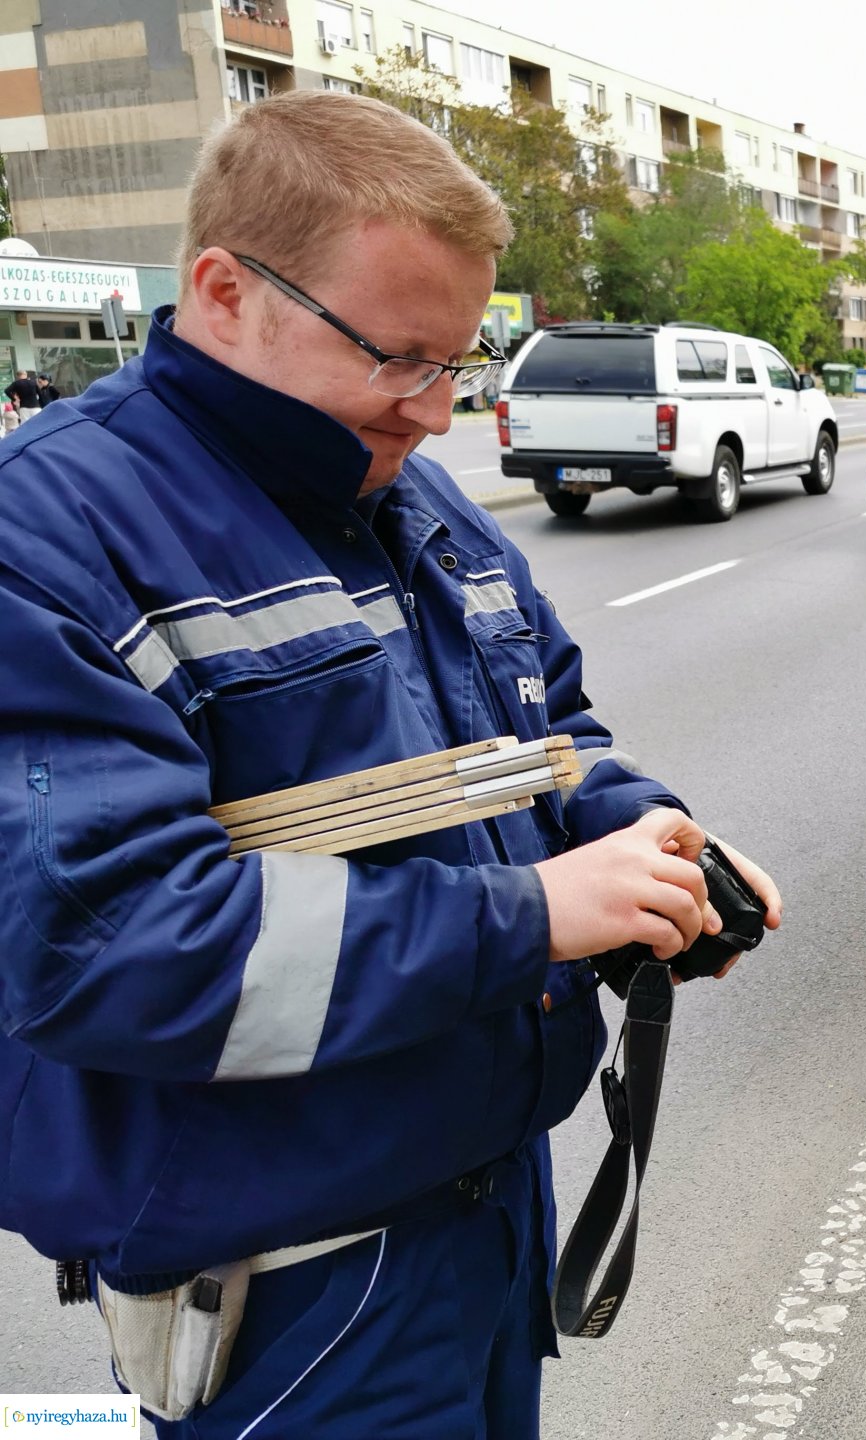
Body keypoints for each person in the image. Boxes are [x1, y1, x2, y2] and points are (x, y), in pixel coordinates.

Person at [0, 90, 781, 1436]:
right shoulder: (51, 533)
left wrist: (650, 844)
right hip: (295, 1293)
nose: (438, 411)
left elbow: (547, 742)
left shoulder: (402, 487)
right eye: (402, 358)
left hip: (481, 1223)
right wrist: (538, 915)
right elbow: (111, 946)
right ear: (224, 290)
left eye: (459, 364)